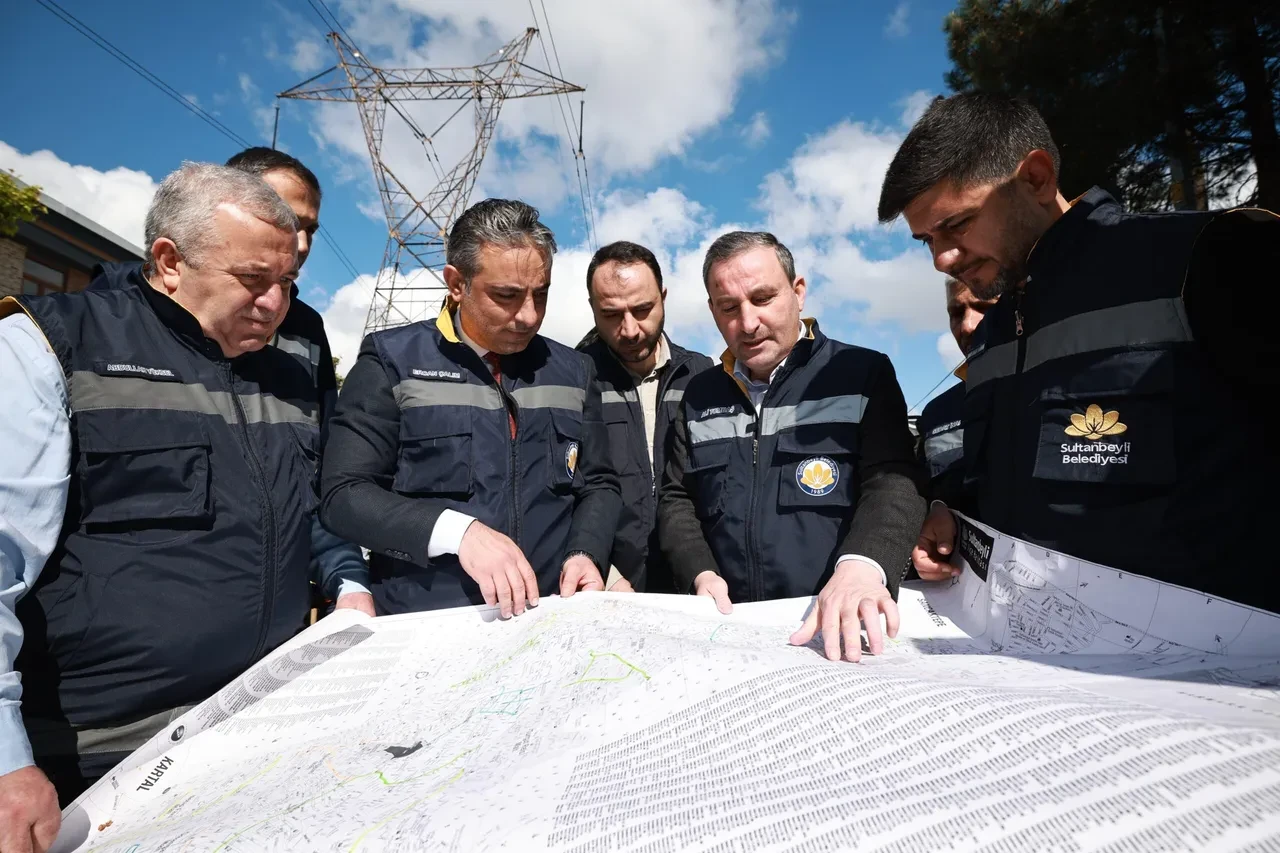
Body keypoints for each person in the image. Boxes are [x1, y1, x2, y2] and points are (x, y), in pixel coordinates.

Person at [0, 163, 364, 841]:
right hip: (98, 763)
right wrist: (4, 762)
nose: (277, 305)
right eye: (255, 281)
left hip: (252, 735)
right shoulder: (49, 347)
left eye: (286, 284)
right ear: (169, 262)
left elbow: (312, 508)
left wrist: (349, 582)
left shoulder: (287, 374)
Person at [879, 92, 1279, 611]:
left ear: (1037, 178)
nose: (940, 260)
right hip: (1030, 664)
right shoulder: (994, 335)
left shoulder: (1205, 259)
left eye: (956, 225)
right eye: (925, 240)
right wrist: (947, 513)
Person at [320, 199, 621, 617]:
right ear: (456, 283)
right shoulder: (392, 362)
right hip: (429, 625)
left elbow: (599, 484)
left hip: (550, 618)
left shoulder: (574, 371)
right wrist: (459, 532)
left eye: (541, 293)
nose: (529, 316)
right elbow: (344, 496)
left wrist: (586, 550)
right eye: (507, 296)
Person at [658, 231, 925, 663]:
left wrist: (864, 564)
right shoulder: (698, 395)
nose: (747, 323)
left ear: (798, 292)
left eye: (763, 299)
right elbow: (676, 496)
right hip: (729, 632)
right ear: (712, 310)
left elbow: (894, 481)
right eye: (728, 308)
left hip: (835, 630)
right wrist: (698, 571)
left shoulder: (860, 373)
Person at [224, 147, 372, 618]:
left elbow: (318, 476)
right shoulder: (104, 327)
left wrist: (346, 577)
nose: (302, 243)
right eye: (287, 219)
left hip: (278, 629)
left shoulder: (307, 330)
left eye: (310, 228)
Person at [575, 241, 714, 594]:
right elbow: (560, 493)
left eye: (642, 309)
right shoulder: (574, 377)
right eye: (611, 314)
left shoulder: (701, 374)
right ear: (591, 308)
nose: (630, 329)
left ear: (663, 297)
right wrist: (604, 573)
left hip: (695, 583)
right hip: (607, 587)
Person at [915, 277, 998, 509]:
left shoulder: (1060, 392)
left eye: (985, 307)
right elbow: (924, 493)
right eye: (956, 312)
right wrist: (937, 508)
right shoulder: (936, 413)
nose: (967, 325)